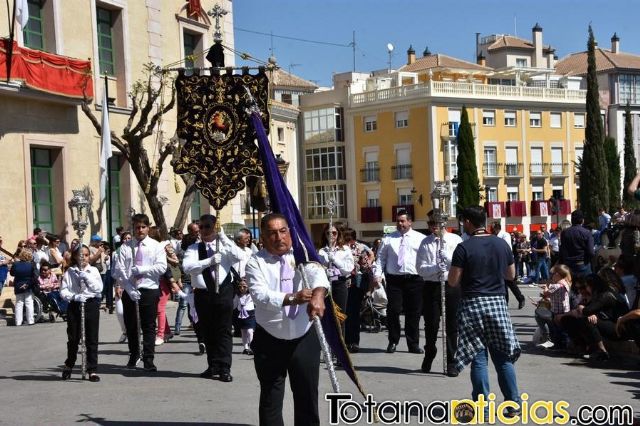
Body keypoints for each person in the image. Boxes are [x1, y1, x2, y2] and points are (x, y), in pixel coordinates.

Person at [245, 213, 329, 426]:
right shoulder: (256, 262)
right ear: (262, 237)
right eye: (272, 233)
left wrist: (318, 295)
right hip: (270, 338)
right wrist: (293, 298)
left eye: (283, 231)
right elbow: (260, 295)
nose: (279, 237)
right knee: (271, 397)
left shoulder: (302, 255)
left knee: (307, 395)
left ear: (290, 233)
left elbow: (318, 274)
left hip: (304, 336)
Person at [447, 206, 522, 419]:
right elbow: (511, 275)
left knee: (478, 357)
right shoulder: (501, 244)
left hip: (472, 303)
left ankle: (483, 407)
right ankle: (513, 403)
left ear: (469, 222)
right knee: (502, 356)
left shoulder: (463, 247)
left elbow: (453, 280)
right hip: (497, 302)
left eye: (463, 222)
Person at [182, 214, 243, 383]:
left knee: (223, 330)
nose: (203, 230)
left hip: (223, 291)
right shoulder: (194, 248)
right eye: (200, 227)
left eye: (207, 226)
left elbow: (239, 256)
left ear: (215, 227)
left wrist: (222, 236)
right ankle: (213, 365)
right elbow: (187, 267)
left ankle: (225, 367)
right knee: (207, 331)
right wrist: (208, 261)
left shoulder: (225, 246)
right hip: (203, 293)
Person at [111, 214, 167, 372]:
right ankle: (134, 354)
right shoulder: (125, 247)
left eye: (143, 227)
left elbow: (161, 267)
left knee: (148, 326)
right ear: (133, 228)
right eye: (137, 227)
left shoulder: (156, 246)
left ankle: (148, 358)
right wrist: (128, 287)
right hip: (130, 289)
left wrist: (143, 270)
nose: (140, 230)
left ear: (148, 227)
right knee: (132, 325)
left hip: (149, 289)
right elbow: (118, 270)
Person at [416, 210, 462, 376]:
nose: (433, 227)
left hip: (451, 286)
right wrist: (435, 268)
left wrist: (448, 259)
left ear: (444, 224)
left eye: (436, 224)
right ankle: (430, 353)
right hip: (432, 286)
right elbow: (420, 269)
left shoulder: (455, 240)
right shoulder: (425, 243)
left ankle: (451, 360)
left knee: (452, 325)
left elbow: (461, 264)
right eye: (430, 224)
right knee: (431, 324)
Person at [374, 210, 426, 354]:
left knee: (413, 312)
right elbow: (381, 259)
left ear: (410, 222)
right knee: (393, 310)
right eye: (398, 221)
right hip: (394, 280)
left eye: (403, 221)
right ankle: (393, 341)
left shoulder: (420, 238)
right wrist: (377, 274)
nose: (400, 224)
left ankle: (413, 343)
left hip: (414, 279)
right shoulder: (388, 239)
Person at [59, 244, 103, 381]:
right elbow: (63, 291)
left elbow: (98, 288)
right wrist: (74, 297)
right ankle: (69, 364)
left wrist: (87, 277)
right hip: (75, 304)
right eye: (80, 254)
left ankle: (92, 369)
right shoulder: (69, 272)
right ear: (75, 256)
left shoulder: (94, 270)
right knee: (73, 338)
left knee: (91, 338)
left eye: (86, 254)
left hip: (91, 304)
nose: (83, 257)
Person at [318, 224, 354, 339]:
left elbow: (348, 269)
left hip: (339, 284)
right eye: (328, 233)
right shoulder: (321, 251)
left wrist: (335, 259)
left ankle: (340, 346)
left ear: (338, 234)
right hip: (325, 284)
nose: (331, 235)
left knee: (339, 316)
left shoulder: (345, 249)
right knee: (326, 316)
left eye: (334, 233)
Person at [343, 228, 373, 353]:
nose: (349, 241)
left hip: (356, 283)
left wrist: (367, 263)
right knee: (344, 313)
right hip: (343, 283)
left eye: (350, 238)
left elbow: (370, 255)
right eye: (346, 238)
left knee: (353, 313)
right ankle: (345, 341)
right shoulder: (341, 248)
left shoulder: (360, 247)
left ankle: (354, 341)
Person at [535, 264, 572, 349]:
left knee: (558, 329)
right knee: (562, 328)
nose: (551, 276)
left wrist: (546, 286)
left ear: (557, 274)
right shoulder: (565, 282)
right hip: (564, 309)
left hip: (558, 311)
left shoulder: (556, 286)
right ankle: (561, 344)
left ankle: (559, 345)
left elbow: (546, 293)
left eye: (553, 274)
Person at [492, 222, 525, 308]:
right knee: (502, 282)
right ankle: (505, 302)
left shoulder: (504, 235)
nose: (491, 230)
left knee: (510, 281)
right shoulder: (494, 236)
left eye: (492, 228)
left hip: (506, 259)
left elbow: (506, 247)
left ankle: (520, 298)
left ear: (496, 228)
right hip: (498, 260)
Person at [559, 210, 595, 278]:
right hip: (583, 265)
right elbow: (591, 252)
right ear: (582, 220)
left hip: (568, 265)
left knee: (572, 287)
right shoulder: (586, 232)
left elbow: (562, 250)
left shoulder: (564, 233)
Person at [11, 248, 38, 326]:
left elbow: (12, 273)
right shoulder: (32, 264)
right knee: (29, 303)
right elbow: (35, 277)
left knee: (19, 303)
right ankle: (30, 321)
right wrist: (27, 284)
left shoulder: (16, 264)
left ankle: (18, 322)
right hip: (28, 285)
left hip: (18, 285)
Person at [233, 278, 255, 355]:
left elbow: (257, 302)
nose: (242, 288)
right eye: (240, 287)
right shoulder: (237, 295)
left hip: (250, 313)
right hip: (241, 314)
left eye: (244, 286)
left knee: (250, 331)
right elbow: (234, 304)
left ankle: (252, 347)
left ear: (248, 286)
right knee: (243, 331)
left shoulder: (252, 294)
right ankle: (245, 348)